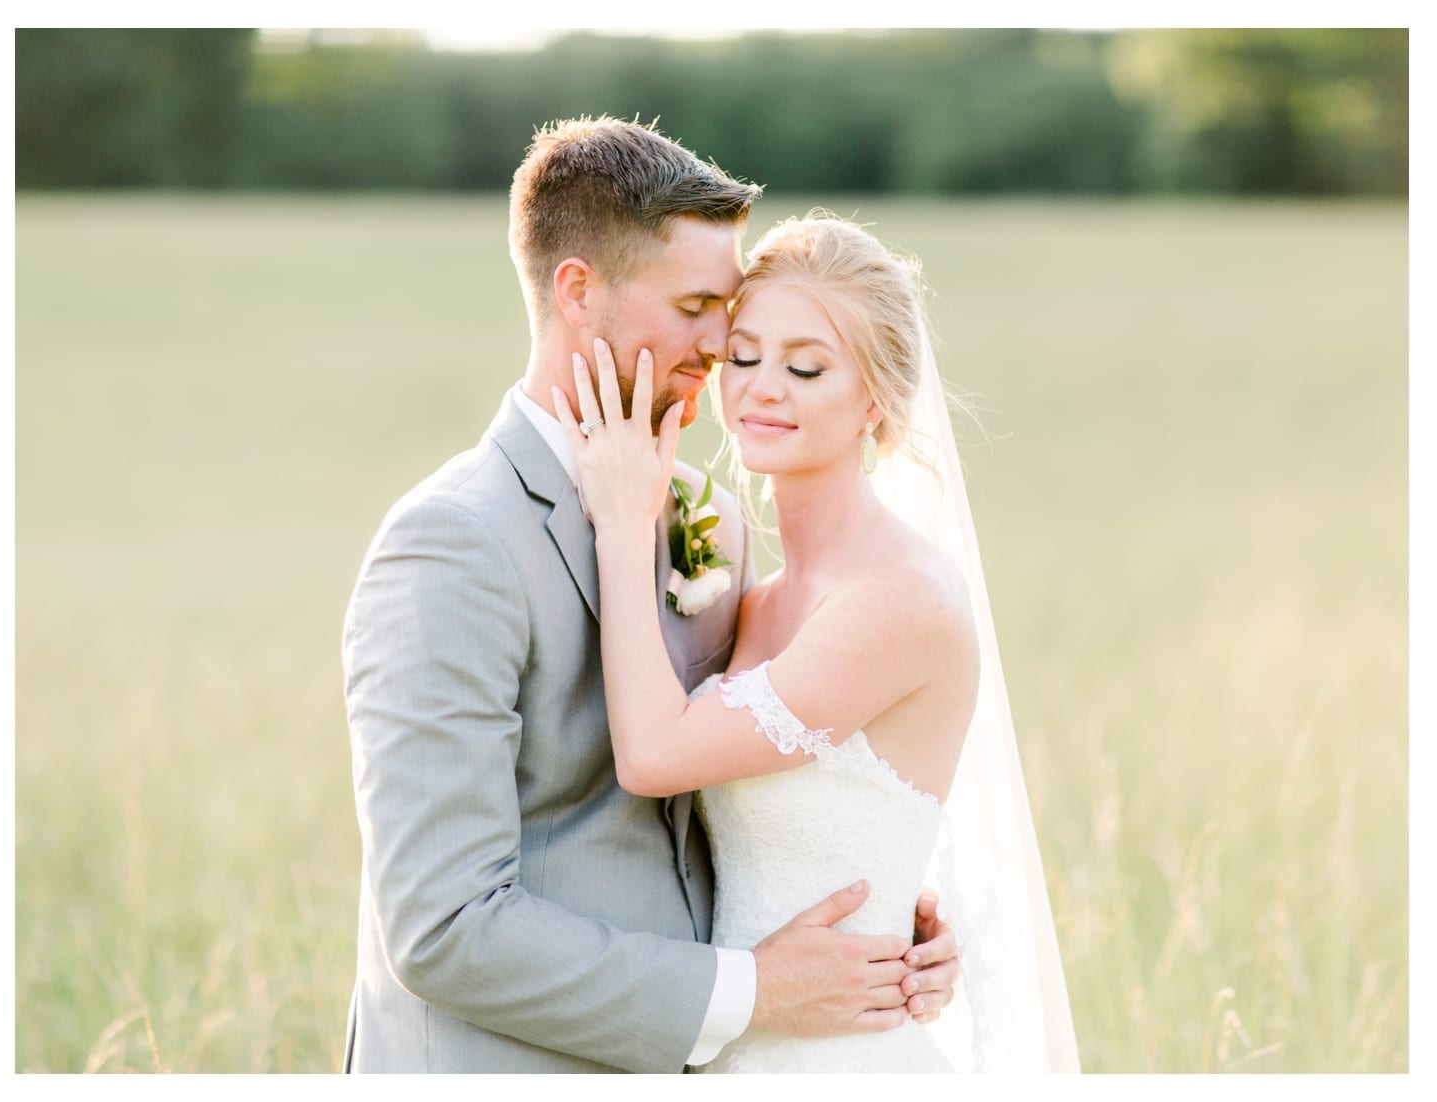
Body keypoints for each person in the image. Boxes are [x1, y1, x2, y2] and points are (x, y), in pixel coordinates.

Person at [340, 119, 961, 1073]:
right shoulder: (451, 544)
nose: (721, 347)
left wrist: (881, 917)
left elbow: (748, 783)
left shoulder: (711, 523)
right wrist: (758, 988)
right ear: (579, 291)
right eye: (698, 306)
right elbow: (439, 928)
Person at [555, 212, 1082, 1072]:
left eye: (806, 367)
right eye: (745, 356)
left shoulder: (901, 600)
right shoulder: (755, 598)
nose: (763, 387)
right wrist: (906, 910)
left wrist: (623, 526)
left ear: (875, 398)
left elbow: (653, 757)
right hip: (740, 1047)